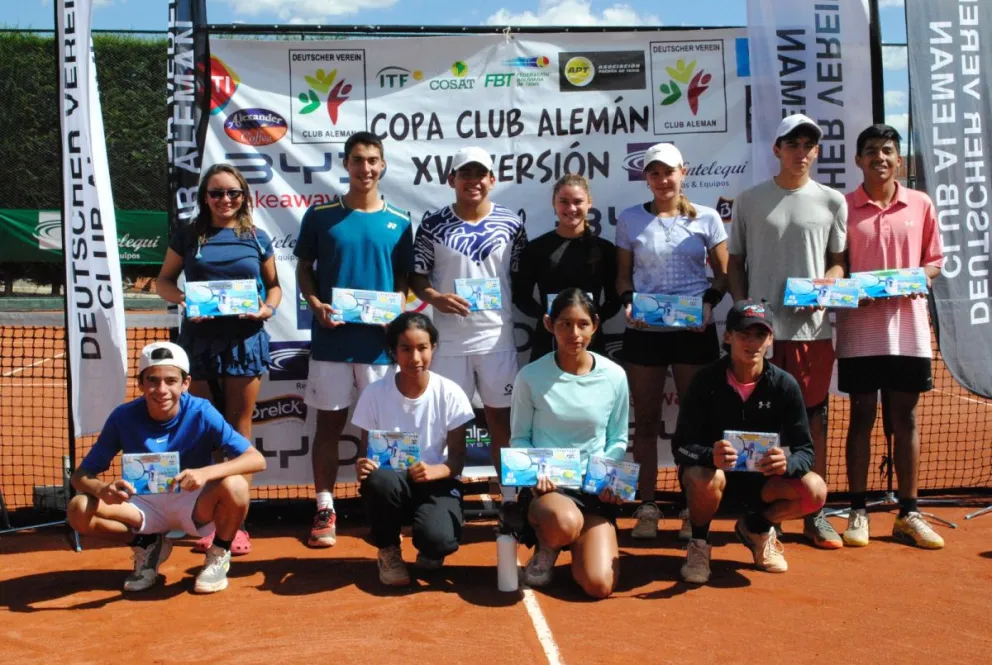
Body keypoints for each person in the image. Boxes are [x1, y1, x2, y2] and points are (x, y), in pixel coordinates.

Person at [728, 114, 848, 549]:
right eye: (792, 144)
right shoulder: (749, 200)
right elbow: (735, 262)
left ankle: (815, 514)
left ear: (816, 152)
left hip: (810, 333)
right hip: (760, 335)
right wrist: (744, 311)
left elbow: (838, 262)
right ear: (776, 149)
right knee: (760, 425)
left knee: (813, 422)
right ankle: (763, 517)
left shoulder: (833, 201)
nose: (801, 152)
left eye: (808, 145)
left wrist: (827, 285)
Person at [66, 342, 267, 594]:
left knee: (236, 485)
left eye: (171, 381)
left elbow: (255, 459)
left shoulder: (201, 412)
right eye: (153, 380)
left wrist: (205, 473)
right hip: (142, 505)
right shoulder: (122, 417)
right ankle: (147, 543)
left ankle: (219, 552)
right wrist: (102, 489)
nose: (162, 390)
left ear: (185, 383)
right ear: (140, 384)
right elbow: (80, 476)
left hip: (194, 504)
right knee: (79, 508)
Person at [294, 132, 414, 548]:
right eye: (358, 160)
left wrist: (397, 307)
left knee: (379, 431)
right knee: (329, 426)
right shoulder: (320, 216)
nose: (366, 168)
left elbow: (403, 278)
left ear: (383, 165)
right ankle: (325, 508)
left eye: (373, 160)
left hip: (379, 346)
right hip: (332, 343)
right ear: (346, 164)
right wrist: (314, 303)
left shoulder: (400, 221)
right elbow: (304, 268)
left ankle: (380, 507)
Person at [156, 163, 281, 555]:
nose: (225, 200)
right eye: (216, 193)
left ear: (243, 196)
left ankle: (235, 524)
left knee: (238, 432)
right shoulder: (188, 235)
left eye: (232, 193)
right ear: (204, 197)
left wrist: (267, 309)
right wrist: (185, 301)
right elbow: (163, 281)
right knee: (204, 432)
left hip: (244, 342)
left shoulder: (257, 237)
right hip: (199, 343)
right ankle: (205, 518)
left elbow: (274, 287)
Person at [836, 124, 945, 549]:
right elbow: (837, 264)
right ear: (858, 160)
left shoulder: (920, 203)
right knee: (861, 416)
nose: (879, 157)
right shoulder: (843, 207)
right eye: (870, 151)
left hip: (909, 332)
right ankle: (858, 511)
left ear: (898, 160)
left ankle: (908, 512)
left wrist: (920, 278)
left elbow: (934, 261)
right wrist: (848, 290)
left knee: (906, 418)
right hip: (859, 330)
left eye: (886, 150)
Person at [615, 142, 729, 540]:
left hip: (693, 332)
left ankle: (690, 507)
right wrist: (628, 303)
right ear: (646, 177)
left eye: (669, 171)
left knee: (695, 422)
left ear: (684, 172)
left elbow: (722, 276)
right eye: (654, 173)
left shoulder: (707, 218)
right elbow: (623, 276)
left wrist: (709, 305)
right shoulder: (630, 219)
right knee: (645, 421)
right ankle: (647, 506)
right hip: (644, 333)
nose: (662, 179)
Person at [673, 301, 827, 584]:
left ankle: (757, 528)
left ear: (770, 339)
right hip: (714, 482)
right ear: (728, 336)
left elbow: (806, 452)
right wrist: (710, 456)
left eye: (760, 335)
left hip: (763, 486)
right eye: (744, 334)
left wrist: (787, 463)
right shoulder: (705, 380)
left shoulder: (785, 385)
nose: (753, 343)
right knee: (703, 476)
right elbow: (681, 445)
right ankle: (699, 543)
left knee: (815, 490)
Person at [410, 146, 527, 480]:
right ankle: (446, 494)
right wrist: (435, 298)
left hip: (496, 339)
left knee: (501, 421)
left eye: (480, 174)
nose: (473, 181)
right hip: (449, 340)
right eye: (465, 173)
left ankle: (510, 497)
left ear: (492, 180)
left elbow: (520, 277)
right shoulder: (433, 224)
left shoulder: (511, 224)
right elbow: (417, 277)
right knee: (449, 423)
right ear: (452, 179)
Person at [509, 289, 630, 598]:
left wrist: (607, 477)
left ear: (595, 325)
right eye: (565, 324)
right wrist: (536, 473)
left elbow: (617, 439)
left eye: (582, 324)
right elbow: (519, 437)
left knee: (599, 585)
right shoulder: (530, 376)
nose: (574, 333)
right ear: (549, 324)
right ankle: (548, 545)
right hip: (548, 490)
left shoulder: (615, 376)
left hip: (593, 492)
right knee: (565, 521)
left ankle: (578, 544)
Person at [351, 313, 475, 586]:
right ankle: (388, 550)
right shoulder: (374, 393)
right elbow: (365, 453)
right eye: (406, 349)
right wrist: (363, 465)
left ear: (433, 348)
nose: (415, 358)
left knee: (440, 541)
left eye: (422, 348)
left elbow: (457, 459)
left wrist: (435, 471)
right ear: (393, 351)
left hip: (436, 483)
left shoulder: (450, 392)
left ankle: (431, 547)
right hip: (391, 483)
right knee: (379, 481)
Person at [512, 174, 621, 362]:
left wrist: (591, 321)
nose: (571, 208)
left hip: (591, 341)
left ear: (589, 203)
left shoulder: (604, 249)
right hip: (548, 339)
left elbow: (614, 299)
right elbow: (521, 296)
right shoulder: (536, 249)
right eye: (564, 202)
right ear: (554, 204)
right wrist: (549, 319)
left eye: (578, 202)